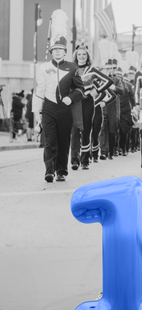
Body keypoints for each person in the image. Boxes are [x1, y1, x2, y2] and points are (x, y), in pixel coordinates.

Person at [32, 10, 84, 182]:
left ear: (65, 51)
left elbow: (81, 90)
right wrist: (37, 113)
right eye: (55, 49)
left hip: (65, 109)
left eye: (61, 49)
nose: (57, 52)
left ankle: (62, 170)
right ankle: (49, 170)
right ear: (52, 50)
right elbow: (39, 91)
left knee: (63, 141)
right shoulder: (43, 67)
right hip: (48, 108)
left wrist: (71, 98)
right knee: (50, 141)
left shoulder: (72, 67)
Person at [71, 43, 113, 169]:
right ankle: (74, 160)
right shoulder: (71, 69)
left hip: (88, 102)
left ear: (87, 56)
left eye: (84, 54)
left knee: (86, 131)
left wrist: (97, 90)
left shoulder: (93, 70)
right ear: (76, 56)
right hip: (74, 103)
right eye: (79, 54)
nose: (82, 56)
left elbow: (108, 81)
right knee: (74, 131)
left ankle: (84, 160)